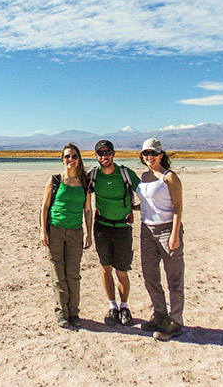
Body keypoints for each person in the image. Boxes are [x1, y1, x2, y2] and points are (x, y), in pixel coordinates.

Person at [135, 137, 185, 341]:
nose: (149, 157)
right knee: (150, 276)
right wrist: (130, 209)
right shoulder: (144, 176)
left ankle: (176, 321)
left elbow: (178, 207)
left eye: (153, 153)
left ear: (161, 155)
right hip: (147, 230)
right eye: (146, 154)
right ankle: (160, 314)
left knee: (174, 278)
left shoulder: (169, 177)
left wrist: (174, 234)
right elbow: (147, 204)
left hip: (166, 230)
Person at [40, 143, 93, 328]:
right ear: (62, 159)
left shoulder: (85, 182)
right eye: (67, 156)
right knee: (58, 275)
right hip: (55, 231)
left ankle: (74, 313)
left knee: (73, 275)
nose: (71, 160)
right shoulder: (55, 180)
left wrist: (89, 233)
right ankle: (62, 313)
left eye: (74, 156)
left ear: (79, 160)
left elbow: (87, 210)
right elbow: (45, 206)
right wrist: (42, 231)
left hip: (75, 233)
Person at [90, 139, 140, 327]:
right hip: (102, 227)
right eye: (100, 153)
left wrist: (133, 209)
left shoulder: (126, 174)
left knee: (122, 270)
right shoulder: (93, 175)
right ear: (96, 156)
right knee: (105, 268)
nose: (104, 156)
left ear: (113, 154)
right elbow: (80, 195)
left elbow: (148, 194)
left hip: (123, 228)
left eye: (107, 152)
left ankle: (124, 306)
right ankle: (113, 307)